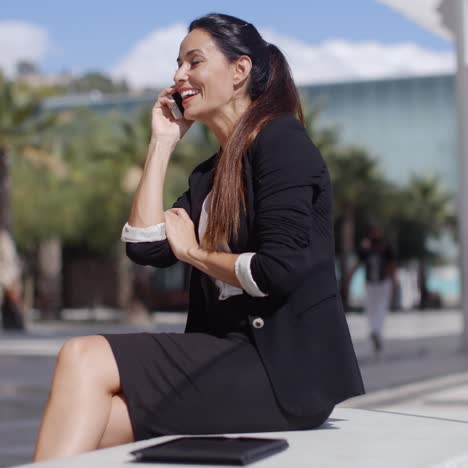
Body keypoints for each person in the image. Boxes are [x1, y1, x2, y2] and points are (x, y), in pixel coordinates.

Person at [33, 13, 365, 461]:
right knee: (94, 418)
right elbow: (146, 246)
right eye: (177, 64)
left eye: (193, 61)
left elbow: (277, 270)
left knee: (82, 356)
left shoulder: (283, 142)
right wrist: (161, 143)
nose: (178, 75)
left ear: (239, 70)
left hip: (282, 372)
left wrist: (194, 252)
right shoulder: (209, 175)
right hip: (224, 356)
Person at [347, 225, 397, 353]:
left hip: (383, 283)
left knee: (381, 308)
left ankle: (377, 332)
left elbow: (392, 265)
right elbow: (358, 263)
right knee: (371, 309)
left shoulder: (386, 247)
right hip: (370, 283)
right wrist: (349, 278)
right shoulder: (365, 248)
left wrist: (394, 281)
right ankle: (375, 332)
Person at [0, 228, 24, 331]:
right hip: (6, 276)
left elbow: (10, 260)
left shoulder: (3, 238)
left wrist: (12, 279)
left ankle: (16, 324)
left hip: (6, 276)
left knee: (12, 302)